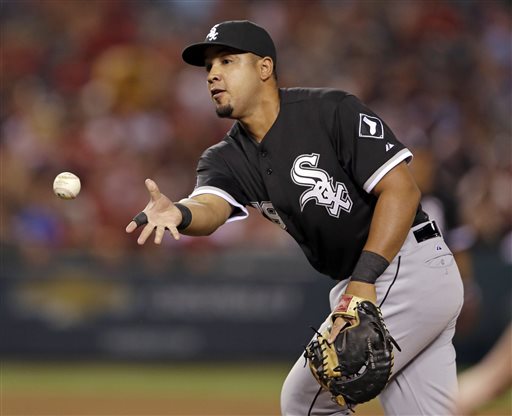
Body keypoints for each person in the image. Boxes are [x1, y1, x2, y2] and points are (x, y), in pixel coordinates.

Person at [126, 20, 464, 416]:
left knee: (305, 401)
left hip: (399, 267)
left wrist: (363, 283)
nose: (213, 74)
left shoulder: (330, 110)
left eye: (227, 60)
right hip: (388, 279)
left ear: (264, 68)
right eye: (209, 68)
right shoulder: (226, 157)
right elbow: (211, 208)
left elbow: (402, 190)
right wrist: (180, 213)